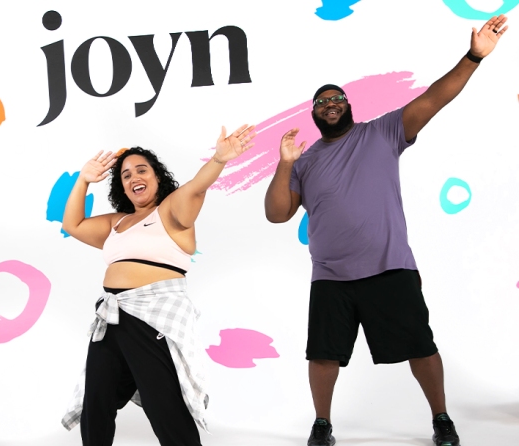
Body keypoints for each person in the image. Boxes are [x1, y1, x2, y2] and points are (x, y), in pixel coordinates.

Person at [263, 15, 508, 446]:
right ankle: (323, 425)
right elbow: (277, 214)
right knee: (322, 355)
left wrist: (473, 56)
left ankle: (442, 418)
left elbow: (434, 98)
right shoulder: (303, 162)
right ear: (315, 113)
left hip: (389, 267)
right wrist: (284, 163)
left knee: (421, 347)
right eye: (321, 101)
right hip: (331, 277)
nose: (330, 103)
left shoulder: (383, 132)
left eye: (337, 97)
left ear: (348, 106)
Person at [60, 125, 256, 446]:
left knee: (162, 404)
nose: (134, 176)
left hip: (152, 316)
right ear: (121, 187)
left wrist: (219, 160)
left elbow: (195, 187)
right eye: (125, 174)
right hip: (110, 318)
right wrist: (83, 179)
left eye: (142, 170)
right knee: (97, 401)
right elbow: (73, 225)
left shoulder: (171, 212)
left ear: (157, 177)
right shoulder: (117, 222)